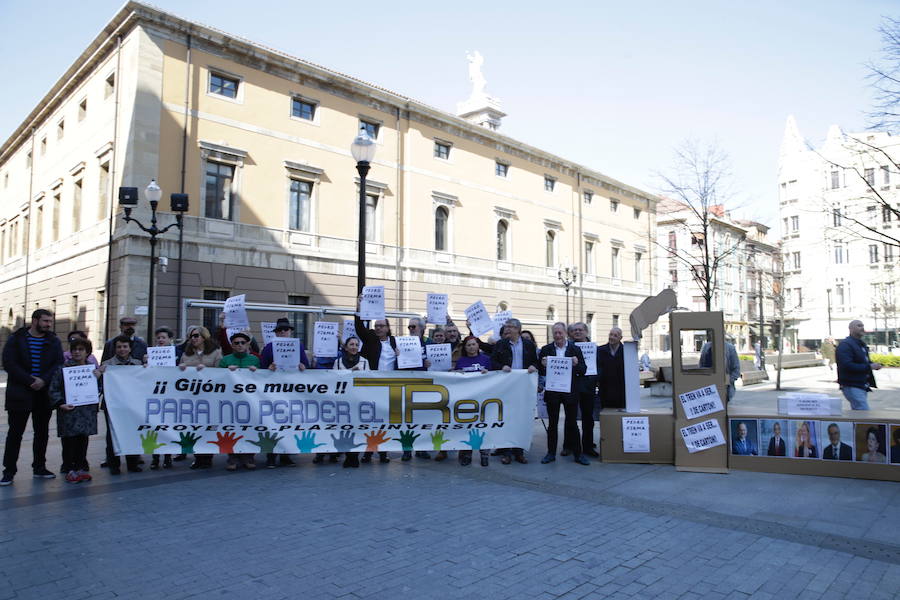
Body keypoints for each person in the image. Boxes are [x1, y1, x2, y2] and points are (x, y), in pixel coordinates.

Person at [1, 309, 65, 486]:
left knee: (42, 433)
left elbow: (58, 363)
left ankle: (39, 468)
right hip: (19, 393)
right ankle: (9, 471)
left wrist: (43, 380)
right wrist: (30, 380)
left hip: (43, 394)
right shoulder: (17, 339)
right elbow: (9, 363)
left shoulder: (53, 341)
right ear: (35, 320)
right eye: (45, 321)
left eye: (50, 322)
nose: (48, 325)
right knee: (15, 434)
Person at [259, 318, 308, 468]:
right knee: (272, 423)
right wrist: (269, 367)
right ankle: (271, 456)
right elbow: (261, 369)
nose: (283, 332)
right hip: (273, 392)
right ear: (276, 332)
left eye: (285, 330)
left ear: (290, 331)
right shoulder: (268, 347)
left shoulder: (298, 346)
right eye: (280, 330)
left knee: (289, 423)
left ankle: (286, 455)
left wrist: (302, 366)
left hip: (292, 391)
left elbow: (306, 365)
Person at [48, 338, 99, 483]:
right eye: (74, 349)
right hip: (69, 412)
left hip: (86, 413)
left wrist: (99, 378)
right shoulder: (63, 368)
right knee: (69, 442)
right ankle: (70, 469)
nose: (77, 352)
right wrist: (60, 403)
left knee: (83, 440)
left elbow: (100, 389)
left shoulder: (92, 369)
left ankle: (80, 468)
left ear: (87, 352)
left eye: (81, 349)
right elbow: (53, 389)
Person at [490, 318, 539, 465]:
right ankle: (506, 452)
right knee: (506, 418)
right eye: (506, 327)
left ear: (518, 329)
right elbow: (493, 362)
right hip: (506, 387)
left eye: (510, 327)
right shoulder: (501, 344)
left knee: (521, 419)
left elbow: (536, 362)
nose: (507, 329)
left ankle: (519, 452)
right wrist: (501, 366)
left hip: (523, 387)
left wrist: (533, 366)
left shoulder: (529, 345)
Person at [539, 322, 588, 465]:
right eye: (555, 333)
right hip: (553, 391)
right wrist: (542, 364)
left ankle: (578, 454)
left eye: (560, 333)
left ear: (566, 333)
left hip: (570, 392)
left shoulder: (574, 349)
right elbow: (540, 371)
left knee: (572, 423)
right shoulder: (546, 349)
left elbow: (583, 370)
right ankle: (550, 453)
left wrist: (576, 363)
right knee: (552, 424)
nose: (558, 335)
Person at [178, 326, 223, 469]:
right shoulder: (186, 354)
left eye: (196, 335)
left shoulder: (216, 352)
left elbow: (221, 372)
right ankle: (198, 457)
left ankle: (207, 457)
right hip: (193, 397)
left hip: (210, 396)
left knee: (209, 427)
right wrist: (182, 368)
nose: (193, 338)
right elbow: (179, 371)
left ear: (204, 337)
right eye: (191, 336)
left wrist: (208, 370)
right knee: (195, 427)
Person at [98, 336, 143, 474]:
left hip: (131, 404)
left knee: (132, 432)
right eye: (119, 347)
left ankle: (132, 463)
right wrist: (99, 373)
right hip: (112, 405)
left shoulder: (138, 364)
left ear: (130, 348)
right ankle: (114, 464)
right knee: (112, 434)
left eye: (125, 346)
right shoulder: (107, 365)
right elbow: (100, 385)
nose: (122, 349)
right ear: (115, 348)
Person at [334, 336, 379, 467]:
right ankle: (349, 456)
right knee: (344, 429)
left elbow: (369, 381)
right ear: (346, 346)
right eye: (351, 344)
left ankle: (354, 457)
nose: (354, 347)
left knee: (357, 429)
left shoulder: (364, 362)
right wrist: (350, 372)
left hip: (359, 401)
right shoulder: (337, 362)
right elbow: (332, 379)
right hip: (343, 400)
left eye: (356, 344)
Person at [219, 332, 260, 471]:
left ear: (248, 344)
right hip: (231, 401)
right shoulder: (225, 360)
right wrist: (226, 371)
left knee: (250, 428)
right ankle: (233, 457)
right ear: (232, 345)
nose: (240, 345)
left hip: (250, 401)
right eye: (236, 343)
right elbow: (217, 379)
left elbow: (264, 380)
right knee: (232, 429)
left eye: (243, 342)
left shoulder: (255, 360)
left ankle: (248, 456)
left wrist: (257, 372)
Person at [454, 336, 492, 467]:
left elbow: (495, 377)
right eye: (468, 345)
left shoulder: (486, 360)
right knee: (467, 427)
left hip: (483, 399)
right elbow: (455, 379)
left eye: (473, 344)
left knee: (483, 427)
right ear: (465, 347)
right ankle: (467, 454)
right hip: (466, 401)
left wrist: (489, 373)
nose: (471, 347)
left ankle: (484, 454)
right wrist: (455, 373)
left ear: (478, 346)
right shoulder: (461, 361)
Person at [148, 327, 181, 469]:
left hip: (170, 395)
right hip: (155, 394)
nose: (161, 340)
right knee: (156, 427)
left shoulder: (176, 353)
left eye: (163, 337)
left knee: (168, 427)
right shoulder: (150, 354)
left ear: (170, 339)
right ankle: (155, 458)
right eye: (159, 338)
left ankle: (168, 457)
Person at [569, 322, 599, 458]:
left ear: (586, 332)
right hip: (572, 386)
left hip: (588, 386)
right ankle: (572, 446)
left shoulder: (594, 348)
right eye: (575, 330)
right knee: (571, 418)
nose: (577, 332)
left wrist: (596, 379)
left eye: (580, 330)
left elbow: (599, 365)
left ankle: (587, 446)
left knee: (588, 418)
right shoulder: (568, 348)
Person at [836, 320, 882, 410]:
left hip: (860, 384)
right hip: (851, 385)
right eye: (859, 326)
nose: (862, 328)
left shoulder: (860, 344)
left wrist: (872, 364)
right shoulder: (845, 345)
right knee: (863, 411)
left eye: (863, 325)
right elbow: (846, 365)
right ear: (851, 329)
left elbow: (862, 361)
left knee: (859, 412)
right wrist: (869, 366)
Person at [597, 327, 625, 409]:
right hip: (605, 387)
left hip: (621, 388)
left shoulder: (625, 351)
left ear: (620, 338)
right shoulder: (600, 350)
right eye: (611, 334)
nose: (612, 337)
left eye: (615, 335)